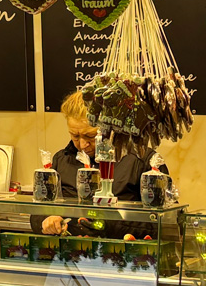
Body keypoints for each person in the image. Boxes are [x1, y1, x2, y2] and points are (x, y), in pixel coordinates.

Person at [38, 90, 171, 236]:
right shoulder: (62, 160)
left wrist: (108, 224)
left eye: (90, 136)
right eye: (75, 136)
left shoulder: (144, 161)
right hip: (71, 254)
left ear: (111, 126)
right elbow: (35, 210)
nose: (82, 144)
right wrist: (46, 220)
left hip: (122, 253)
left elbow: (166, 222)